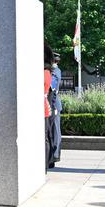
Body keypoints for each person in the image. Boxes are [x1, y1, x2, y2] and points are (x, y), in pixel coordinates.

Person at [48, 52, 63, 169]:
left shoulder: (55, 72)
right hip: (52, 104)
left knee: (54, 131)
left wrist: (52, 107)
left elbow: (52, 90)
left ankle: (54, 156)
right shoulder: (54, 71)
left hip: (53, 105)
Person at [44, 44, 54, 172]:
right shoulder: (47, 72)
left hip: (42, 108)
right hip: (44, 107)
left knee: (44, 138)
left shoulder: (44, 72)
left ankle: (44, 165)